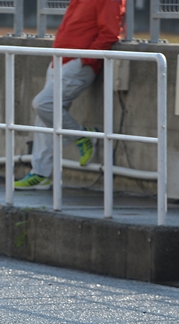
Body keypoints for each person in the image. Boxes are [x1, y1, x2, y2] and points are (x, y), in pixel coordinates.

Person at [14, 0, 126, 190]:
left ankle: (81, 136)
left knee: (43, 104)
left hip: (76, 63)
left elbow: (110, 33)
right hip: (61, 59)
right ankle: (40, 174)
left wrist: (84, 60)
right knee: (44, 117)